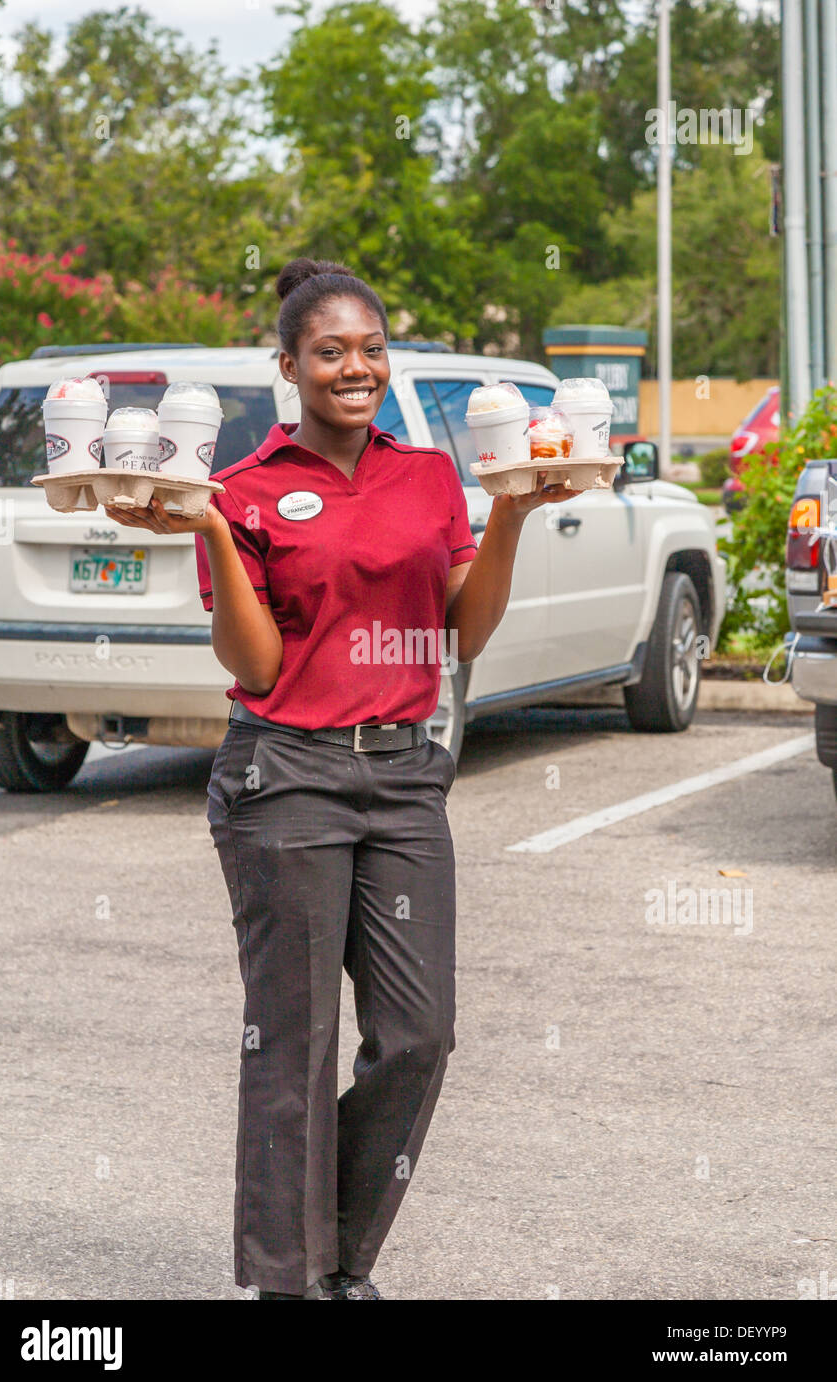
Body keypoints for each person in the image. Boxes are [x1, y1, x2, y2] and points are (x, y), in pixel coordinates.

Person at [102, 258, 581, 1300]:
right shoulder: (240, 490)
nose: (354, 366)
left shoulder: (423, 476)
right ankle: (293, 1280)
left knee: (418, 1035)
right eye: (330, 351)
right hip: (286, 777)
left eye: (369, 348)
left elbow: (462, 631)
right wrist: (218, 536)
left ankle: (337, 1253)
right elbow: (256, 664)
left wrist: (509, 513)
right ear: (289, 365)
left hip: (404, 773)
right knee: (293, 1040)